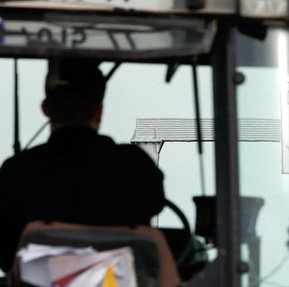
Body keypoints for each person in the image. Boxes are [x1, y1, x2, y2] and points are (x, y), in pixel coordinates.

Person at [0, 58, 166, 269]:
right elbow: (155, 205)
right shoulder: (136, 165)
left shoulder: (16, 171)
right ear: (99, 111)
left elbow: (6, 252)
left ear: (46, 108)